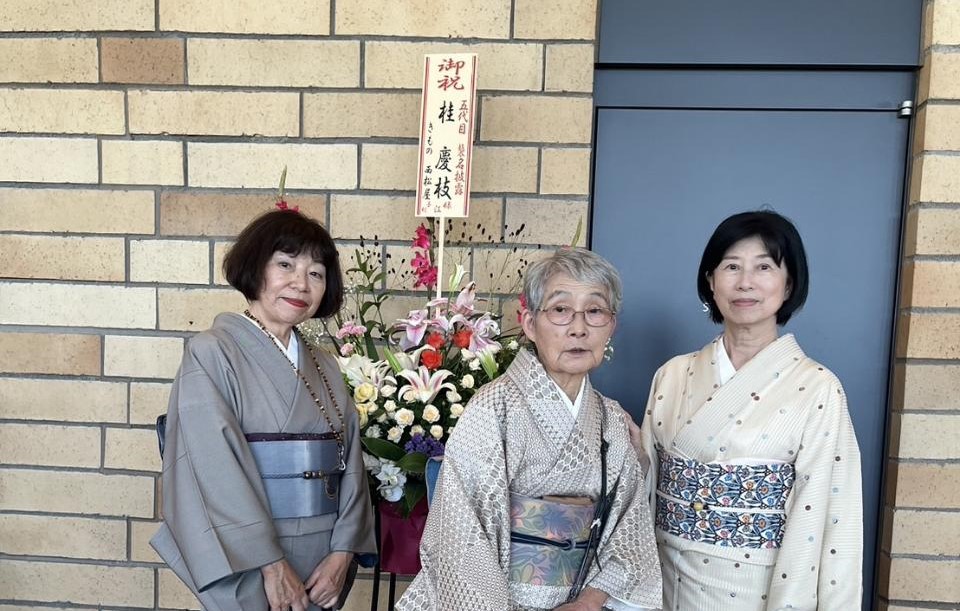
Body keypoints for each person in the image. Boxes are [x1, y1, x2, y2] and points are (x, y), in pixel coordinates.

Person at [398, 248, 663, 611]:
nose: (579, 327)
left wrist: (588, 603)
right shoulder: (493, 409)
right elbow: (459, 538)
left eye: (595, 311)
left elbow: (629, 532)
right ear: (529, 323)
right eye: (560, 310)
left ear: (611, 326)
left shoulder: (612, 419)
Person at [151, 209, 376, 611]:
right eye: (286, 264)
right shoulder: (212, 351)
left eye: (316, 273)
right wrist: (271, 566)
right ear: (256, 268)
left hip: (323, 553)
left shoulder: (324, 364)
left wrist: (343, 553)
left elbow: (351, 462)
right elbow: (211, 466)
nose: (300, 284)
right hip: (251, 555)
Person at [637, 211, 862, 610]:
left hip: (758, 590)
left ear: (788, 282)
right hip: (670, 586)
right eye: (731, 267)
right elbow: (644, 495)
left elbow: (833, 518)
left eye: (764, 267)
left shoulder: (818, 388)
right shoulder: (671, 376)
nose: (745, 282)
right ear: (710, 280)